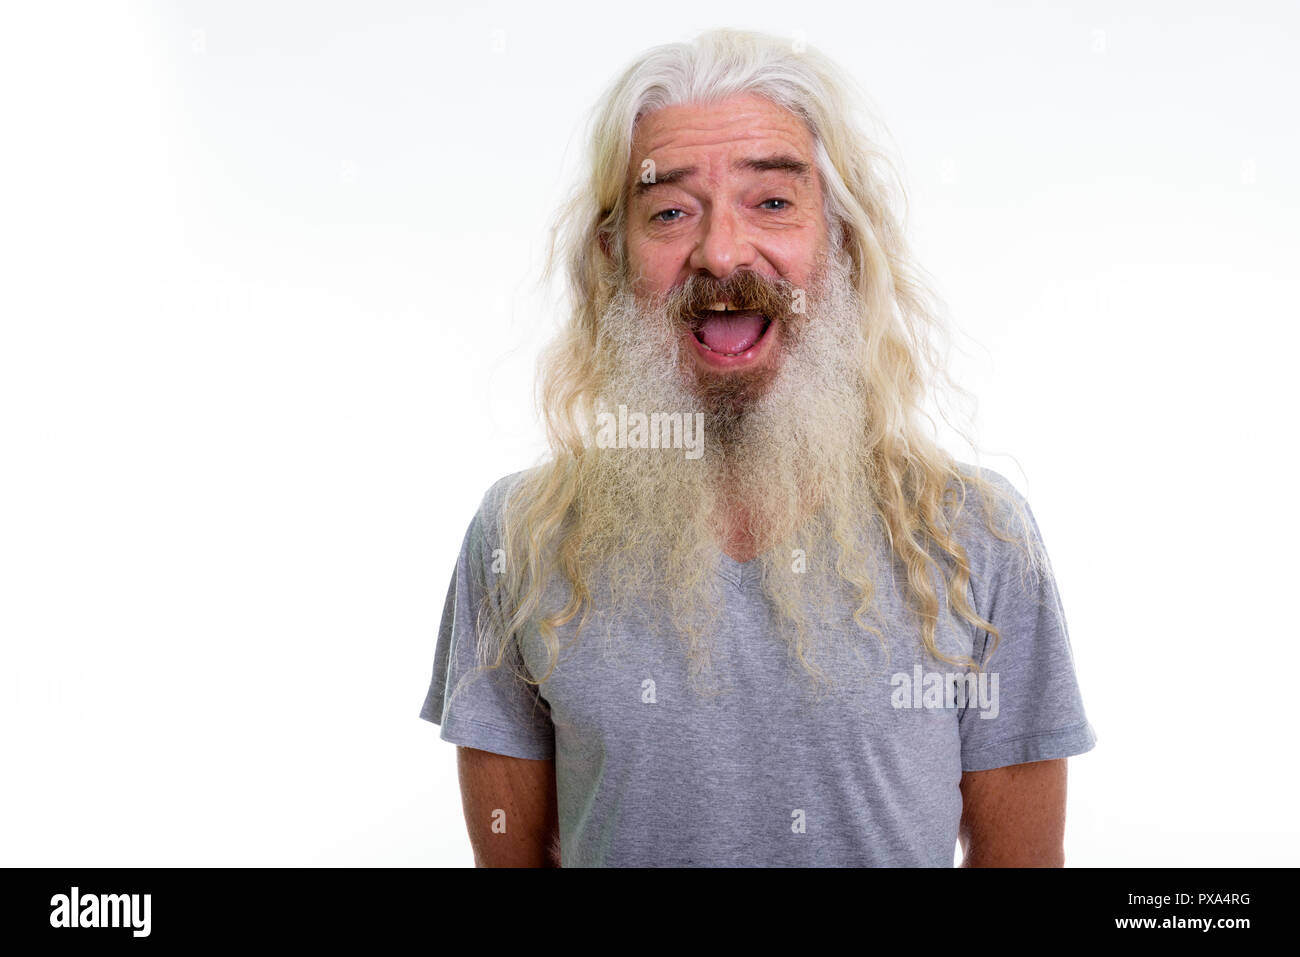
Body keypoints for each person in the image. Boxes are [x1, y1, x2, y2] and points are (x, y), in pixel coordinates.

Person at [419, 27, 1096, 867]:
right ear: (610, 256)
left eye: (773, 202)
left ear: (843, 240)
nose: (724, 251)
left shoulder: (981, 537)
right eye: (669, 211)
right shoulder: (515, 540)